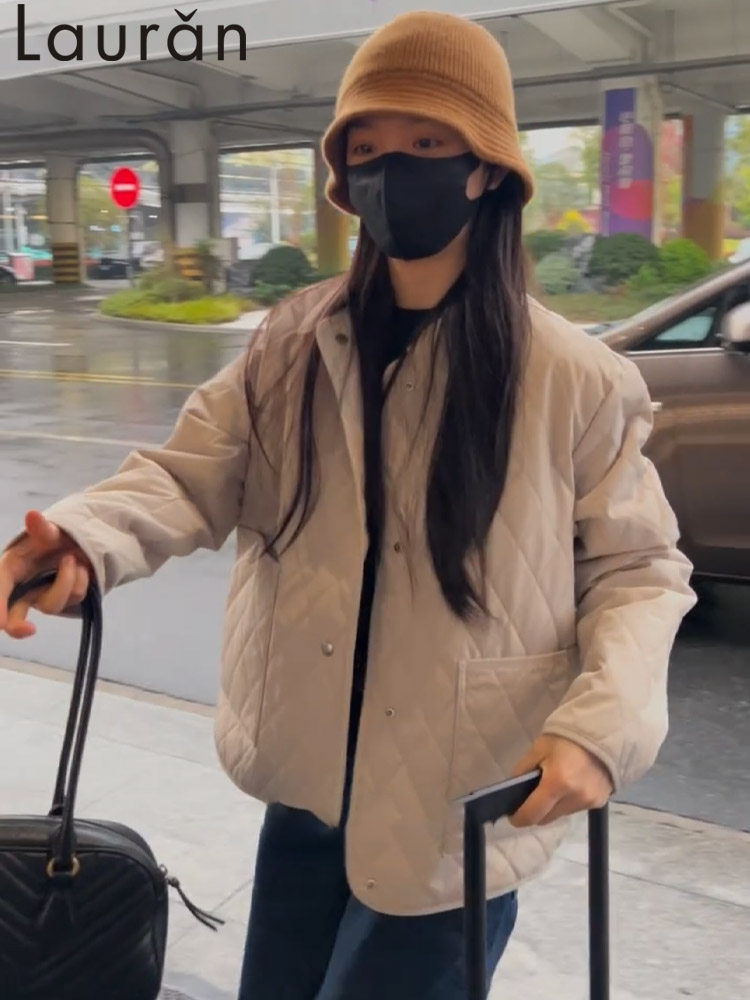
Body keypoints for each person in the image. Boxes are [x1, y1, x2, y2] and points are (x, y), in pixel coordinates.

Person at [0, 11, 697, 1000]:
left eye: (427, 143)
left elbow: (639, 569)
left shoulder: (573, 378)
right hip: (309, 783)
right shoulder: (294, 340)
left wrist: (602, 727)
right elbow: (190, 473)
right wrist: (83, 538)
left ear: (486, 169)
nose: (390, 170)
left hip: (456, 802)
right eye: (366, 149)